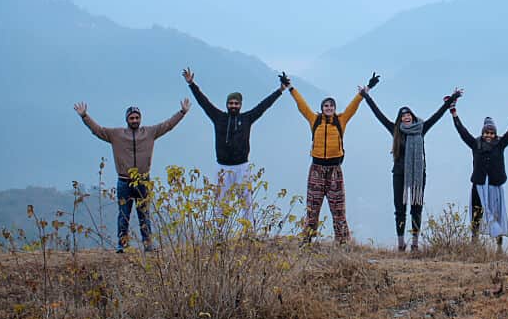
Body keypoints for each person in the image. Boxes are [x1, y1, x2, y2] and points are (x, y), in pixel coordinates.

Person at [74, 98, 190, 252]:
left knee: (144, 215)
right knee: (124, 214)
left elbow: (167, 125)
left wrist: (182, 112)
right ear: (127, 119)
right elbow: (98, 130)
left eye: (137, 117)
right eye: (132, 118)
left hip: (143, 181)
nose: (135, 120)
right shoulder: (116, 135)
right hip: (124, 181)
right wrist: (84, 116)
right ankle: (122, 245)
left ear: (140, 118)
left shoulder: (149, 132)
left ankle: (148, 245)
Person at [360, 74, 461, 251]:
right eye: (403, 116)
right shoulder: (395, 130)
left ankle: (414, 243)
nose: (406, 117)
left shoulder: (421, 129)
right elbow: (378, 114)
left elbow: (438, 114)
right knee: (399, 209)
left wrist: (452, 98)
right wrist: (366, 95)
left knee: (416, 208)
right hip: (399, 174)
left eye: (408, 115)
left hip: (418, 175)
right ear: (400, 119)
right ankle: (401, 243)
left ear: (413, 117)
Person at [182, 67, 287, 221]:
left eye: (236, 103)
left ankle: (249, 233)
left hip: (242, 167)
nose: (233, 106)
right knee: (220, 203)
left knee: (247, 203)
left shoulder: (247, 118)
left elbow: (264, 106)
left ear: (240, 105)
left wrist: (280, 90)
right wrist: (192, 84)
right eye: (230, 103)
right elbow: (203, 102)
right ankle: (219, 235)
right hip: (222, 167)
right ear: (226, 104)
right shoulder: (218, 117)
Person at [286, 74, 365, 243]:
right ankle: (306, 241)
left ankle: (343, 242)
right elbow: (302, 106)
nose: (329, 108)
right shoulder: (314, 120)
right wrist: (291, 88)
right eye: (326, 106)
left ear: (335, 108)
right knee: (312, 208)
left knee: (338, 209)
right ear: (321, 108)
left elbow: (353, 107)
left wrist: (363, 93)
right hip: (316, 169)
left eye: (331, 106)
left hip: (335, 170)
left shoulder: (341, 120)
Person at [449, 94, 508, 250]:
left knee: (497, 214)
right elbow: (461, 131)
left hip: (494, 185)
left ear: (495, 134)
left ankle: (499, 246)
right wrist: (454, 113)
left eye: (491, 133)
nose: (489, 136)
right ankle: (475, 243)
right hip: (478, 185)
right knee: (476, 215)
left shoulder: (500, 144)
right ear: (482, 133)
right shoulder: (475, 144)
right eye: (486, 133)